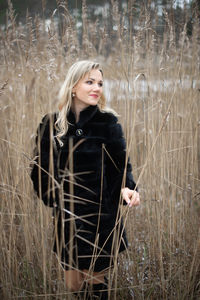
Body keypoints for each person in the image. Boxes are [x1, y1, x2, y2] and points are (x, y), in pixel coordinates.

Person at [30, 60, 140, 299]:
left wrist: (127, 188)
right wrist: (56, 200)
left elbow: (121, 166)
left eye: (100, 83)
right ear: (73, 86)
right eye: (89, 81)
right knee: (73, 286)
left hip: (102, 215)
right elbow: (39, 170)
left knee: (95, 283)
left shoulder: (108, 123)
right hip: (68, 218)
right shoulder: (51, 124)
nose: (97, 87)